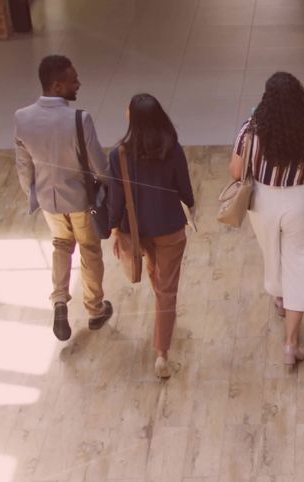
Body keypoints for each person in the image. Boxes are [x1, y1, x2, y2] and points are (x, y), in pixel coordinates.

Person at [229, 71, 304, 366]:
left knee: (271, 251)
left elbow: (236, 172)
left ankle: (280, 297)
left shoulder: (250, 130)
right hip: (300, 200)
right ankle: (291, 343)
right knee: (301, 261)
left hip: (262, 201)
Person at [14, 54, 113, 341]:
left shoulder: (22, 118)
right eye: (73, 80)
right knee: (89, 250)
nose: (78, 84)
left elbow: (24, 166)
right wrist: (109, 187)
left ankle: (59, 300)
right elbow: (99, 166)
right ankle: (95, 309)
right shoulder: (79, 120)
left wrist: (33, 193)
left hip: (48, 200)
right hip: (80, 201)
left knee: (60, 245)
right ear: (57, 86)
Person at [108, 94, 196, 379]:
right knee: (166, 290)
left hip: (136, 230)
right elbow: (185, 189)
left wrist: (113, 229)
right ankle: (161, 353)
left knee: (155, 278)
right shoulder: (173, 149)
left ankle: (162, 320)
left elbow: (116, 199)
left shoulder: (118, 155)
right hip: (169, 228)